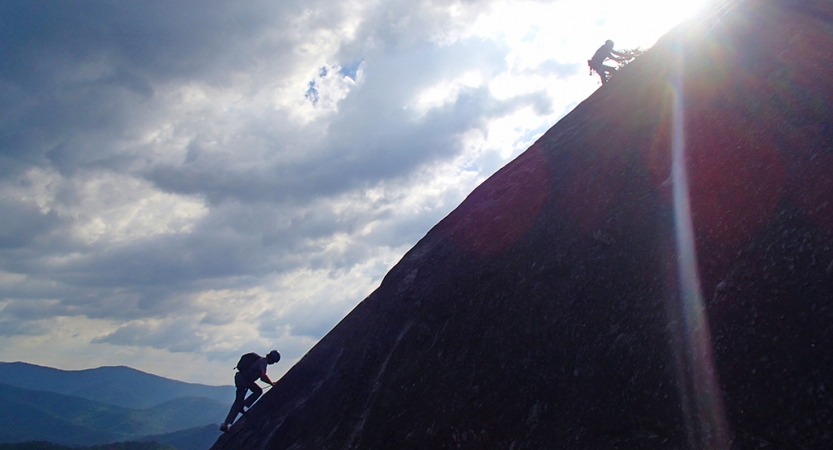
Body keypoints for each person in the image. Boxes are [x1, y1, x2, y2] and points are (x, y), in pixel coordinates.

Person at [220, 350, 281, 432]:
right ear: (272, 359)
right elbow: (263, 376)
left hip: (243, 379)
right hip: (244, 380)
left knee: (258, 391)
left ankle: (243, 406)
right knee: (238, 402)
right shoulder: (263, 362)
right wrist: (271, 383)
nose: (273, 363)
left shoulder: (260, 360)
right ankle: (225, 425)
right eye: (274, 361)